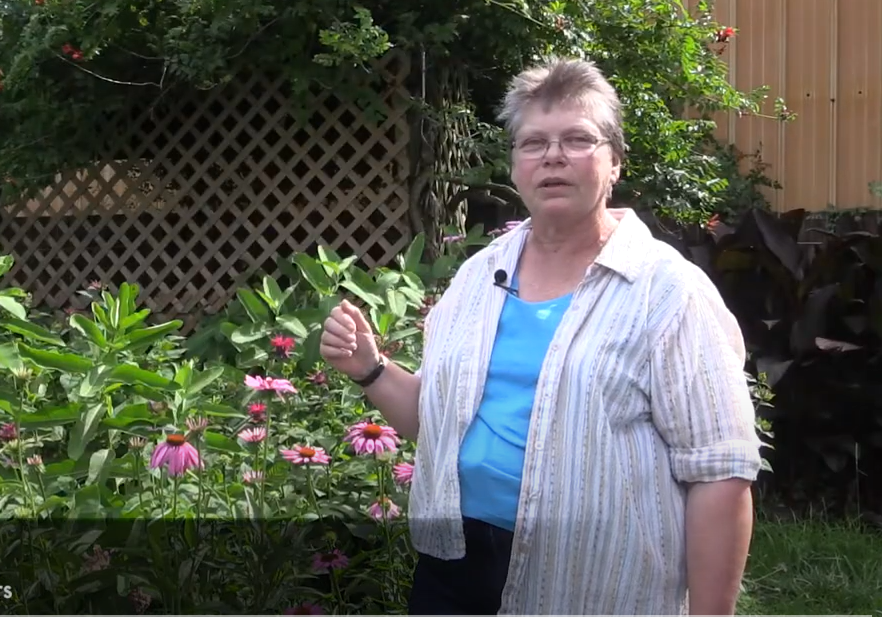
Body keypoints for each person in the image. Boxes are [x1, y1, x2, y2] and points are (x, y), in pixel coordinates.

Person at [319, 57, 762, 615]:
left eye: (578, 139)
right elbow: (437, 425)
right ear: (515, 165)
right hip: (453, 562)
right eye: (533, 143)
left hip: (593, 579)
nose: (553, 156)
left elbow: (719, 472)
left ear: (615, 163)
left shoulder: (667, 292)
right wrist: (372, 368)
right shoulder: (478, 277)